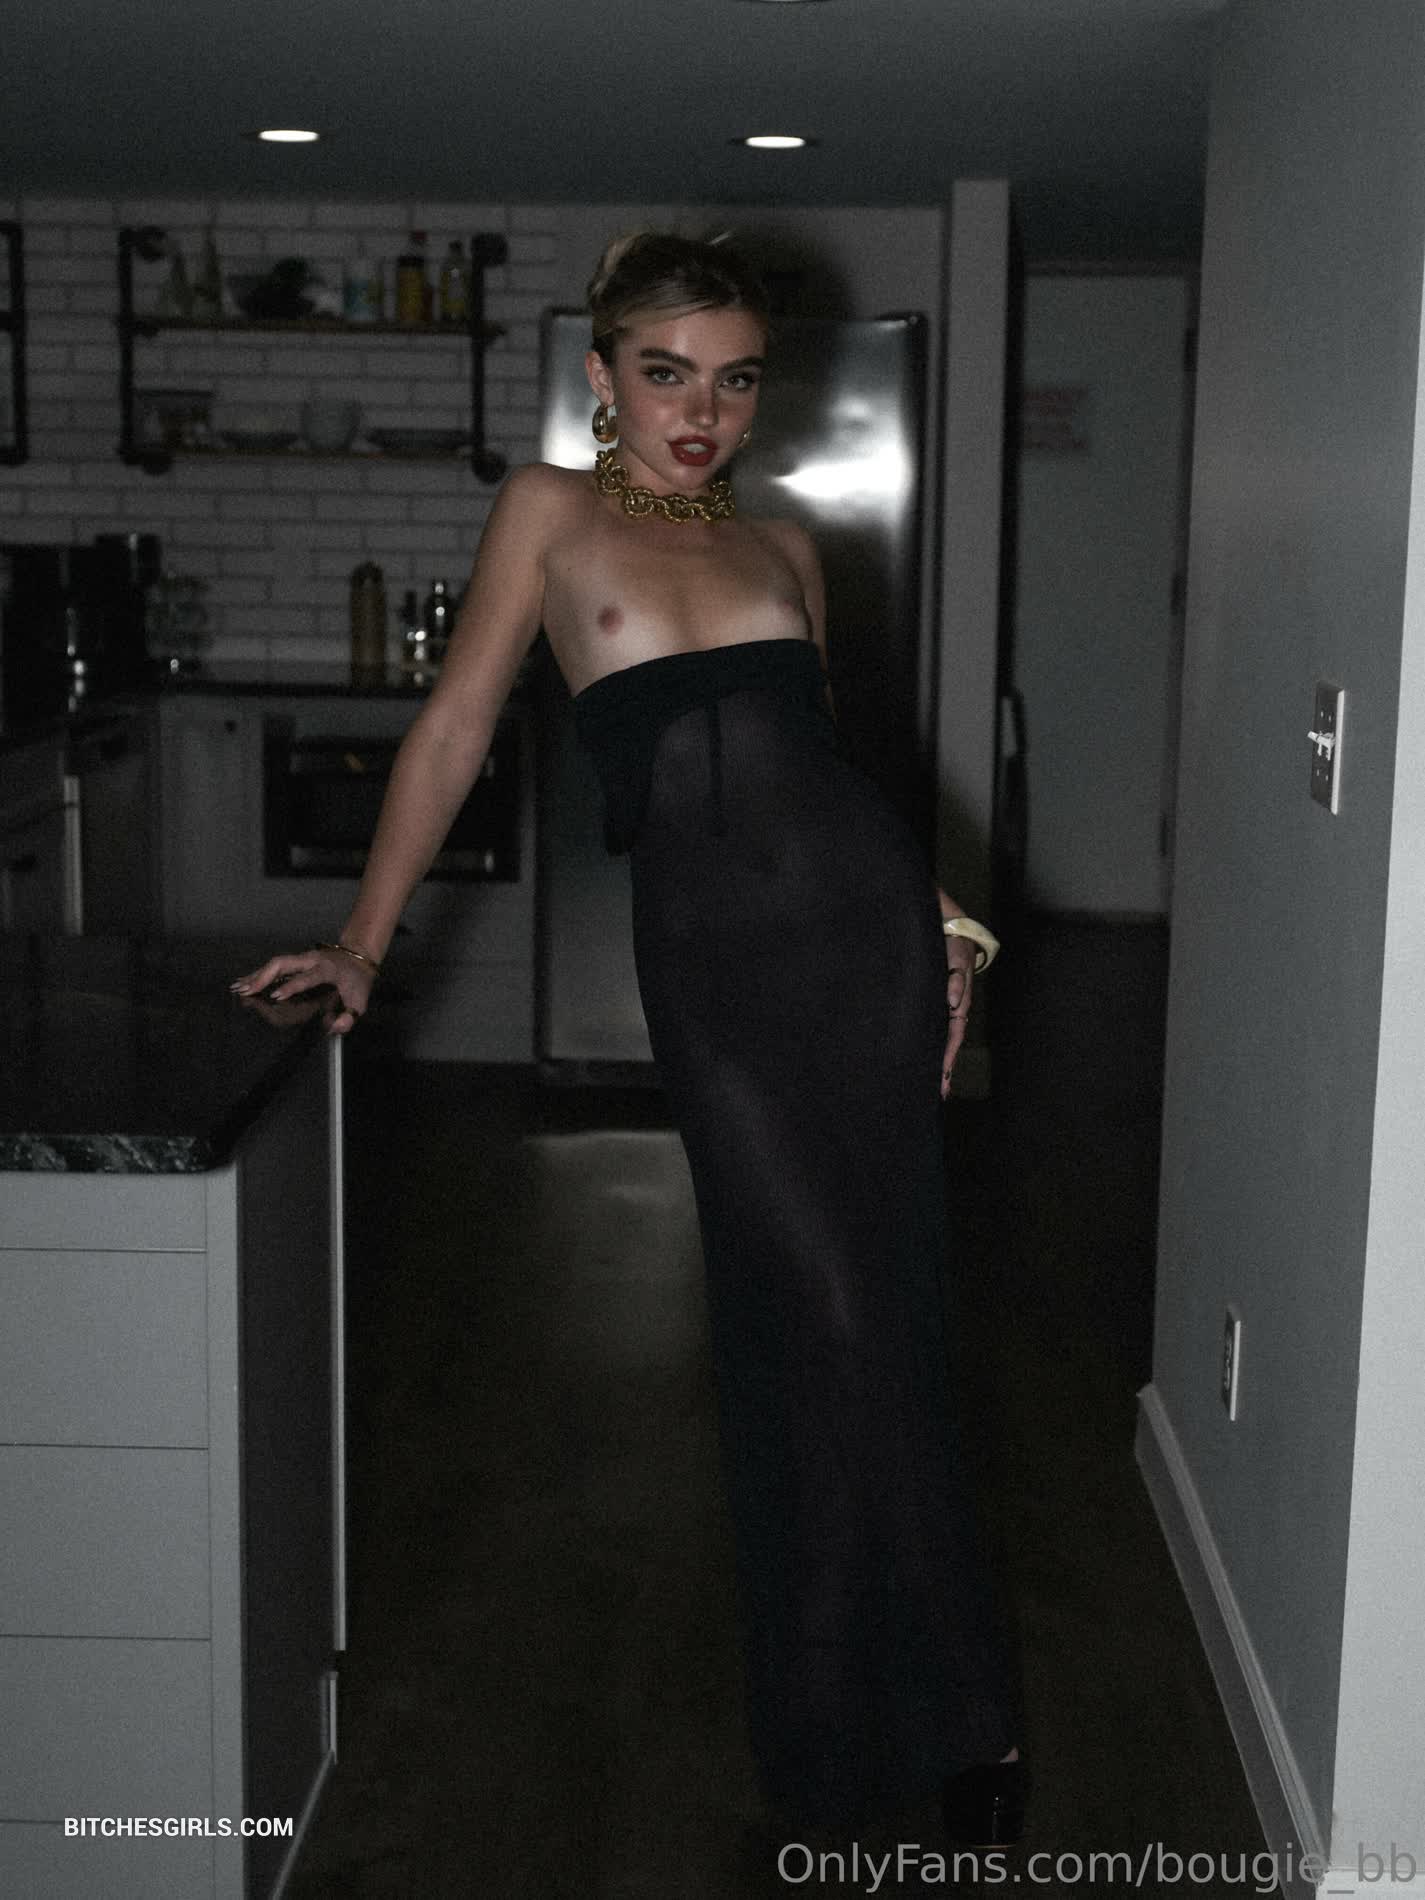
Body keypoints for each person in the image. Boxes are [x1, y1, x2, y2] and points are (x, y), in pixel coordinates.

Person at [231, 229, 1026, 1841]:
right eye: (667, 375)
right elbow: (454, 730)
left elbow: (829, 769)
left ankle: (958, 1721)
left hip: (864, 946)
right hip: (716, 973)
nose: (700, 413)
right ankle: (828, 1737)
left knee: (886, 1312)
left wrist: (944, 918)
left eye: (733, 381)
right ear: (603, 378)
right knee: (813, 1317)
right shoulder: (548, 512)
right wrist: (365, 939)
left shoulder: (788, 546)